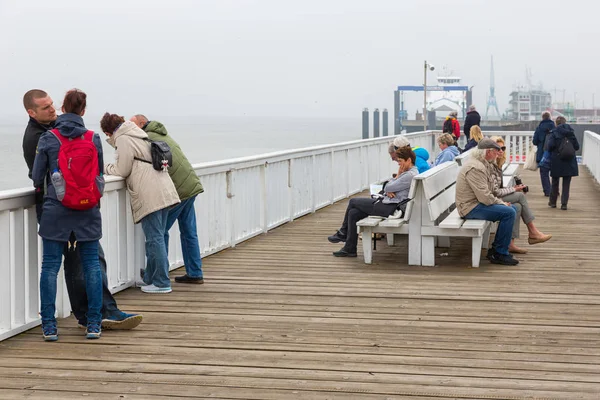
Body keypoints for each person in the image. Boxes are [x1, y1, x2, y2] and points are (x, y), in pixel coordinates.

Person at [22, 89, 142, 331]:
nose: (52, 109)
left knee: (75, 263)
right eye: (45, 108)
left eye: (53, 105)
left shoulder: (51, 134)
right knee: (85, 262)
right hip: (70, 209)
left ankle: (82, 316)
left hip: (60, 209)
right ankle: (97, 315)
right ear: (31, 112)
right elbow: (93, 172)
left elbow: (38, 176)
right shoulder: (38, 136)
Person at [31, 89, 104, 341]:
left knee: (50, 267)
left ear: (62, 108)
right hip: (88, 210)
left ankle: (49, 326)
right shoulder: (93, 138)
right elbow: (99, 174)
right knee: (91, 265)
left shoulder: (48, 138)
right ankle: (94, 323)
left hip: (56, 210)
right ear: (83, 111)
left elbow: (36, 175)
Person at [101, 113, 180, 293]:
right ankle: (152, 278)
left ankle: (161, 283)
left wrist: (104, 167)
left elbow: (122, 170)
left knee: (154, 239)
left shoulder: (123, 139)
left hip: (149, 192)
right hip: (163, 188)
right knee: (158, 236)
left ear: (108, 132)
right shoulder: (138, 133)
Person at [130, 114, 205, 284]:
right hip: (190, 185)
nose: (132, 129)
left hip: (179, 190)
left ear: (142, 124)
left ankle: (154, 275)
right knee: (188, 232)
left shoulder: (147, 139)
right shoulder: (162, 134)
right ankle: (195, 272)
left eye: (133, 125)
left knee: (159, 233)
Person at [328, 147, 419, 257]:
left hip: (391, 208)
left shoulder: (408, 175)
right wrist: (390, 188)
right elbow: (389, 186)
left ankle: (342, 233)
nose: (399, 164)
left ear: (409, 160)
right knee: (353, 213)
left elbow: (388, 187)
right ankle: (349, 248)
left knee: (353, 201)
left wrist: (394, 180)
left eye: (400, 161)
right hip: (390, 204)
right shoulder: (410, 172)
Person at [455, 138, 519, 266]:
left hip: (476, 203)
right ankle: (499, 253)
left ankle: (498, 249)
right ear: (488, 152)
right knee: (509, 213)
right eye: (496, 151)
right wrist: (501, 203)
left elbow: (490, 191)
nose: (498, 154)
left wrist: (500, 202)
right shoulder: (476, 167)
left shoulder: (483, 163)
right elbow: (484, 196)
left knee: (513, 209)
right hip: (469, 207)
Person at [490, 136, 552, 254]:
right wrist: (513, 189)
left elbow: (499, 188)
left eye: (503, 148)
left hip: (496, 195)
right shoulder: (490, 165)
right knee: (520, 197)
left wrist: (514, 189)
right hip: (490, 198)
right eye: (498, 148)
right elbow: (494, 191)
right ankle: (533, 232)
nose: (501, 151)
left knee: (517, 206)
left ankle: (510, 244)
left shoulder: (498, 163)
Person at [546, 116, 579, 210]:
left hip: (557, 160)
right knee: (566, 183)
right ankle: (564, 204)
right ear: (565, 122)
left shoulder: (554, 133)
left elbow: (550, 146)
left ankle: (553, 202)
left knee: (555, 182)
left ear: (556, 123)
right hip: (569, 161)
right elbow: (577, 147)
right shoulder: (571, 133)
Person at [532, 111, 555, 196]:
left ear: (542, 118)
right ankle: (555, 190)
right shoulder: (554, 127)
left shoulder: (539, 128)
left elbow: (534, 141)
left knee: (544, 174)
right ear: (550, 117)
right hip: (553, 154)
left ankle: (547, 191)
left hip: (542, 154)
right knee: (555, 173)